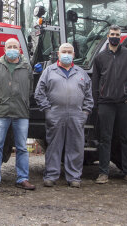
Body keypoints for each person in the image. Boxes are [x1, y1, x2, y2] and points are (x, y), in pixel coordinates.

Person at [35, 43, 93, 188]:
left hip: (76, 114)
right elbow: (39, 93)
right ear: (58, 54)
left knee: (75, 146)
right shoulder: (49, 71)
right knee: (54, 146)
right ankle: (51, 175)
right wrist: (47, 110)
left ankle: (74, 177)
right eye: (64, 51)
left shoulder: (81, 73)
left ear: (74, 55)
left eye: (69, 52)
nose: (66, 54)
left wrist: (85, 113)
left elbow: (89, 95)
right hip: (56, 113)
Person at [0, 38, 35, 190]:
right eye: (9, 46)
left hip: (21, 112)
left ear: (20, 50)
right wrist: (0, 102)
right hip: (1, 112)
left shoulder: (26, 67)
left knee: (22, 148)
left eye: (15, 47)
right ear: (5, 49)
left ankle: (22, 179)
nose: (12, 49)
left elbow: (30, 89)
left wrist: (22, 101)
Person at [92, 25, 127, 186]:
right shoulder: (100, 58)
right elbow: (95, 82)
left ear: (121, 37)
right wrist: (98, 101)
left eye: (117, 34)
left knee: (126, 138)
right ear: (108, 36)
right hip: (106, 103)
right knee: (105, 139)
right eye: (112, 34)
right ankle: (103, 173)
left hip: (124, 102)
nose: (115, 37)